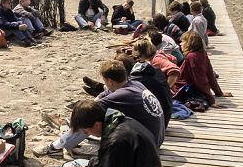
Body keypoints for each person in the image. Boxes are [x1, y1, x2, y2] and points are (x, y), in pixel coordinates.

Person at [34, 59, 165, 157]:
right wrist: (97, 99)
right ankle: (68, 122)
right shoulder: (133, 84)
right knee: (94, 118)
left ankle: (55, 147)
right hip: (154, 137)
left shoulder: (122, 95)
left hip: (146, 146)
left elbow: (89, 111)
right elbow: (106, 93)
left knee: (88, 119)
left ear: (110, 81)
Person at [173, 31, 233, 109]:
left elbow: (200, 79)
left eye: (183, 41)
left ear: (189, 43)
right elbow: (210, 75)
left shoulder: (192, 56)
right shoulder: (202, 53)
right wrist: (218, 92)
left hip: (185, 88)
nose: (180, 44)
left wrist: (211, 100)